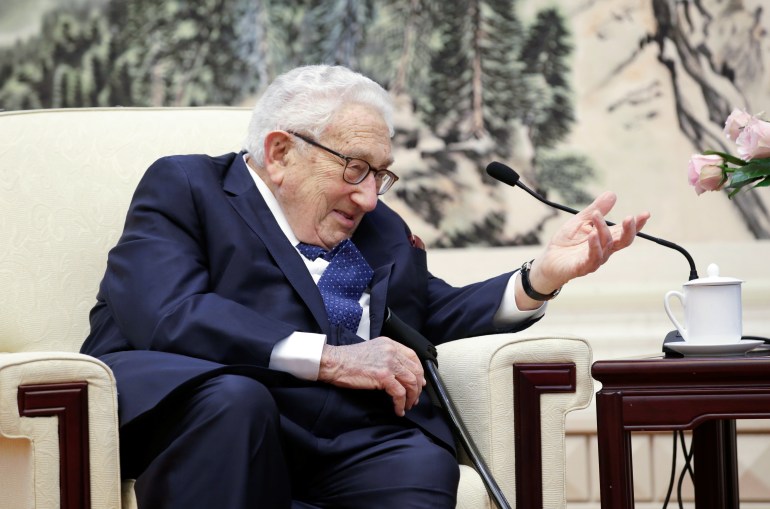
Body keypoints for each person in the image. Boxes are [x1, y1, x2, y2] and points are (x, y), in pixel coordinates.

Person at [81, 64, 650, 509]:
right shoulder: (187, 186)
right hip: (207, 409)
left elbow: (430, 312)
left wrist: (540, 278)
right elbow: (168, 313)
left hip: (344, 434)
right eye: (355, 168)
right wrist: (331, 359)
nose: (370, 196)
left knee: (416, 455)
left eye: (381, 174)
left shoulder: (379, 228)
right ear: (280, 153)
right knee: (237, 402)